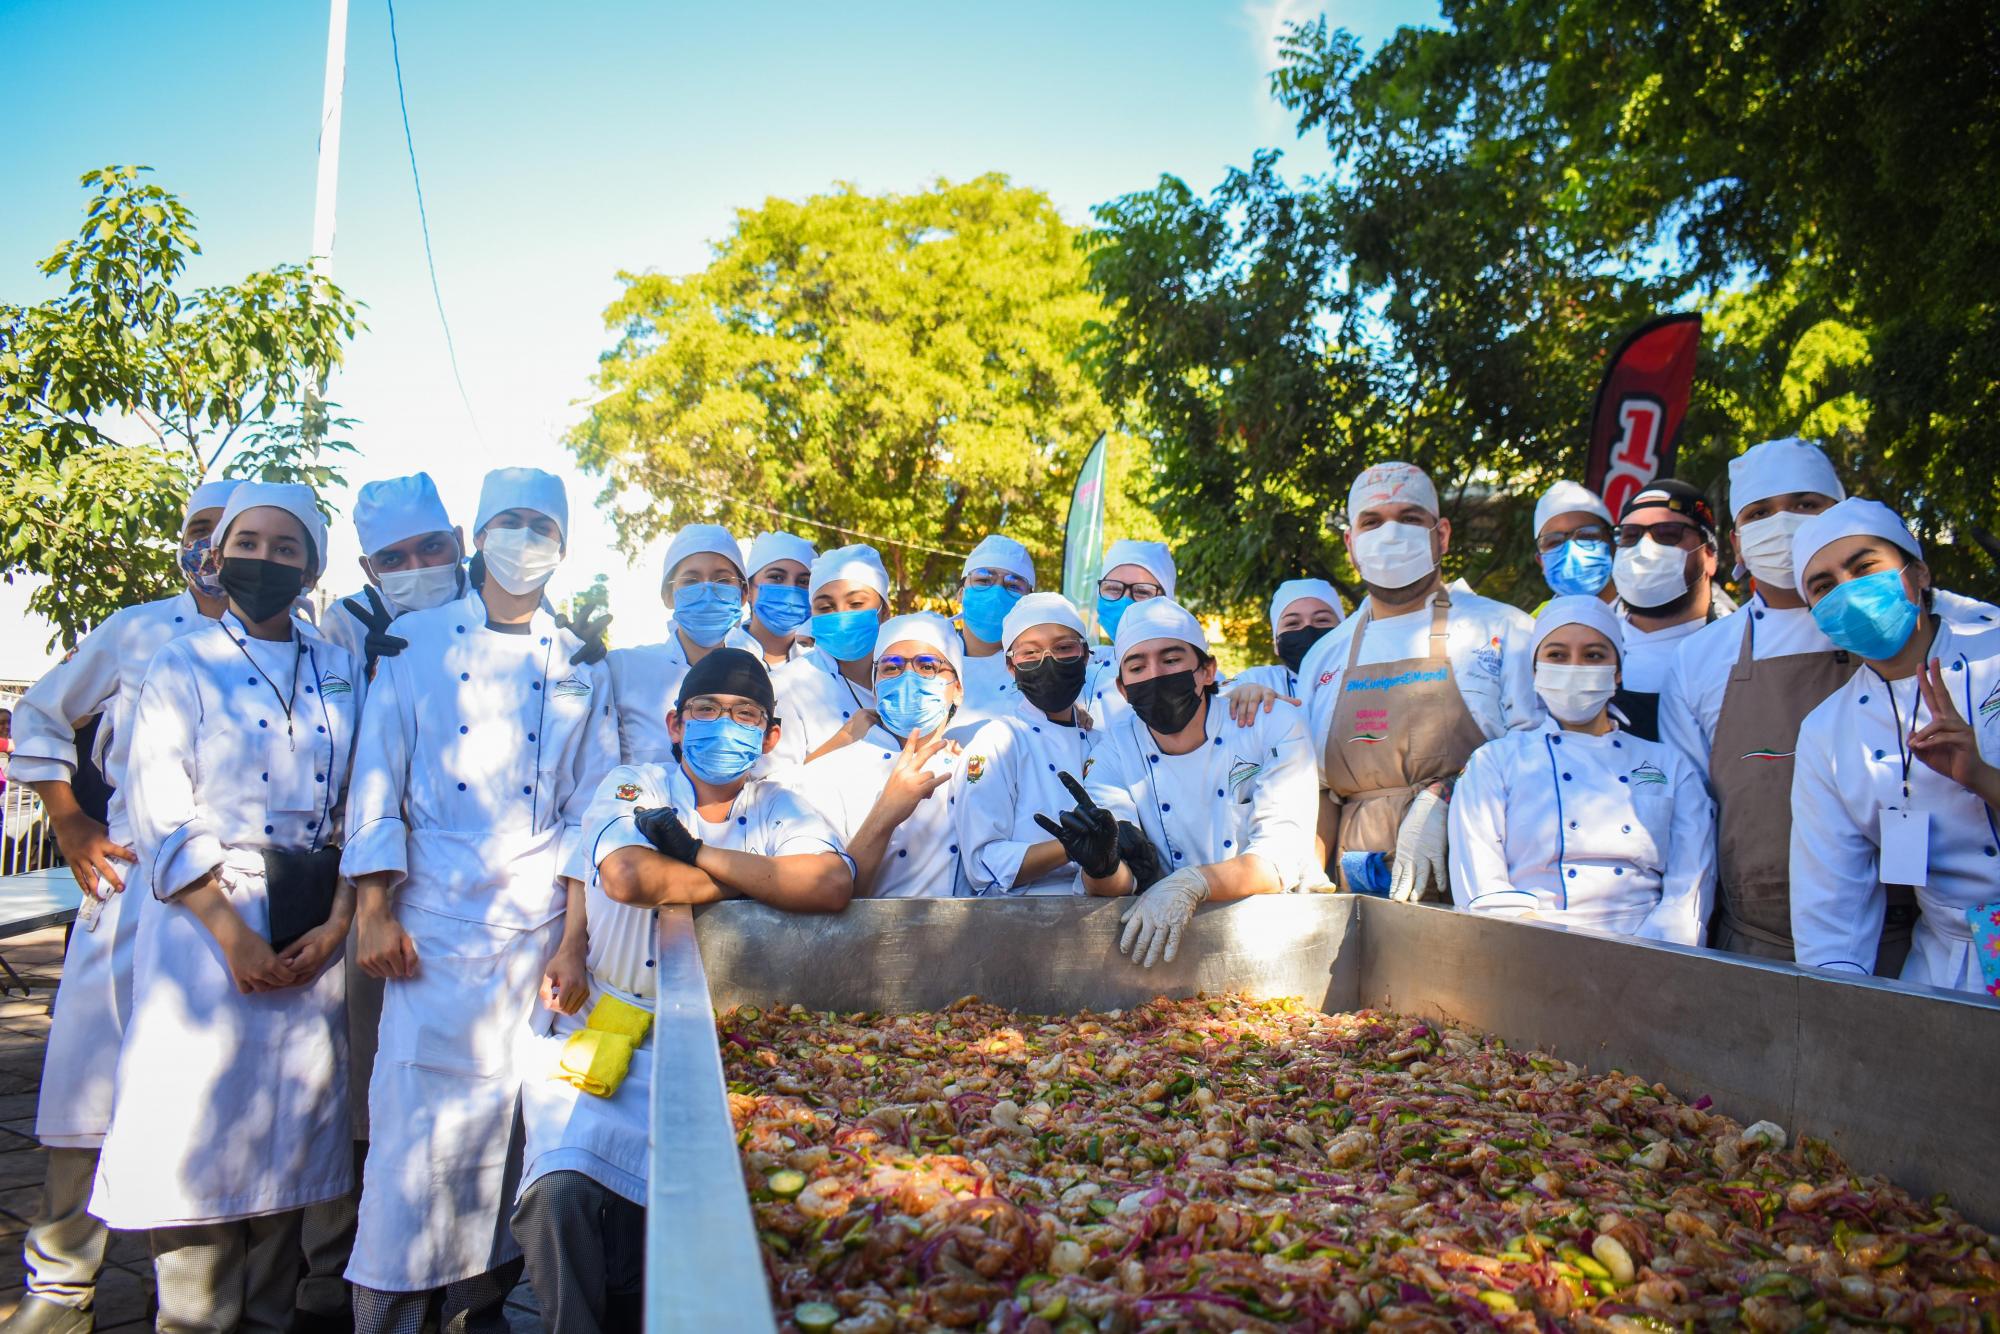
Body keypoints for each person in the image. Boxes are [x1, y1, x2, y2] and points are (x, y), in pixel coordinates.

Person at [340, 466, 618, 1333]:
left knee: (508, 1139)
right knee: (411, 1140)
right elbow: (376, 774)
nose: (525, 539)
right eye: (510, 522)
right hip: (430, 928)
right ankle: (387, 1312)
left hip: (536, 935)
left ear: (563, 544)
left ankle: (480, 1310)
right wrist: (376, 907)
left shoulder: (579, 659)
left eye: (542, 525)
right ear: (478, 533)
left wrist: (574, 941)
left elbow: (594, 809)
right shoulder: (415, 642)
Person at [87, 482, 363, 1332]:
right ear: (217, 553)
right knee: (194, 1139)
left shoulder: (339, 665)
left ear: (314, 565)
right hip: (205, 933)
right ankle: (192, 1319)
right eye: (250, 543)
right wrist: (231, 935)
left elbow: (366, 797)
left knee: (290, 1150)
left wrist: (340, 921)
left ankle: (273, 1317)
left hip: (313, 928)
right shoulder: (183, 661)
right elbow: (162, 802)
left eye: (288, 549)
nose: (266, 560)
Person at [514, 648, 851, 1333]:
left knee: (697, 1208)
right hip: (613, 1027)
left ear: (771, 735)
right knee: (559, 1193)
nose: (723, 724)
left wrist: (694, 857)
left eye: (743, 713)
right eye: (706, 710)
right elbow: (630, 879)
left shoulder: (780, 802)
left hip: (725, 1048)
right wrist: (761, 880)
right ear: (675, 722)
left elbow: (832, 885)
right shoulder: (635, 783)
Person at [0, 478, 238, 1334]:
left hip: (230, 908)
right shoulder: (138, 627)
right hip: (130, 886)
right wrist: (69, 822)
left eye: (232, 531)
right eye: (198, 531)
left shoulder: (303, 643)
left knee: (198, 1101)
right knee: (86, 1092)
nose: (214, 548)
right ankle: (60, 1286)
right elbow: (40, 712)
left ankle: (194, 1303)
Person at [1654, 439, 1859, 962]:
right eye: (1761, 513)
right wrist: (1680, 930)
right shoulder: (1700, 659)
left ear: (1845, 516)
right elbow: (1692, 812)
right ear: (1738, 545)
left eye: (1807, 505)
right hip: (1755, 947)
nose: (1785, 522)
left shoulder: (1898, 630)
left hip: (1900, 945)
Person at [1297, 462, 1538, 899]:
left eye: (1409, 518)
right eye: (1373, 522)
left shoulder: (1504, 632)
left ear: (1441, 534)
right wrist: (1310, 887)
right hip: (1357, 893)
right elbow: (1317, 793)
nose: (1391, 533)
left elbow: (1541, 756)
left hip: (1480, 885)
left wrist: (1448, 797)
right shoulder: (1324, 656)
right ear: (1351, 544)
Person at [1788, 499, 2000, 995]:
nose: (1850, 592)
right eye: (1824, 587)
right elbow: (1830, 907)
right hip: (1950, 968)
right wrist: (1837, 1013)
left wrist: (1982, 779)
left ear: (1920, 572)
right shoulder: (1827, 732)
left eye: (1864, 568)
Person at [1045, 597, 1317, 968]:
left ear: (1208, 671)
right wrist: (1102, 867)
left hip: (1269, 939)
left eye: (1171, 660)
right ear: (1124, 690)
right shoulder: (1116, 752)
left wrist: (1193, 883)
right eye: (1138, 666)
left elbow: (1282, 858)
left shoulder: (1269, 724)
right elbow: (1125, 879)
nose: (1155, 675)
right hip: (1159, 943)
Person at [1447, 595, 1715, 944]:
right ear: (1535, 670)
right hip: (1529, 945)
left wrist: (1653, 951)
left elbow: (1691, 882)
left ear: (1617, 671)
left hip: (1652, 952)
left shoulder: (1669, 765)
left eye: (1593, 655)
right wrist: (1538, 948)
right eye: (1557, 655)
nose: (1575, 667)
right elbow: (1482, 881)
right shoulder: (1494, 763)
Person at [790, 612, 975, 897]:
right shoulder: (826, 776)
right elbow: (826, 895)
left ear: (958, 689)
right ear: (875, 688)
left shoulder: (976, 769)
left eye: (927, 666)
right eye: (892, 668)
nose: (909, 677)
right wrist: (886, 814)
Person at [954, 593, 1102, 896]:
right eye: (1030, 653)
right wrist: (1069, 848)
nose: (1049, 661)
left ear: (1085, 656)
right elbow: (983, 864)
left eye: (1064, 648)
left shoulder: (1101, 743)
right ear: (1011, 667)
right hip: (1018, 924)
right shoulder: (996, 742)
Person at [605, 522, 760, 764]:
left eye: (722, 580)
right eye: (691, 581)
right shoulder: (623, 669)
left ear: (742, 595)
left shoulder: (757, 680)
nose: (707, 590)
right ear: (668, 595)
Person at [1610, 479, 1723, 740]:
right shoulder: (1585, 646)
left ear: (1709, 555)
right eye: (1630, 535)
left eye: (1667, 533)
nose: (1644, 549)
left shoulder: (1741, 649)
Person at [319, 472, 466, 671]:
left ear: (459, 542)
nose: (417, 567)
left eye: (431, 548)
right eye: (392, 559)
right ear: (369, 570)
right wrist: (371, 672)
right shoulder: (348, 624)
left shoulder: (498, 603)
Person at [767, 544, 892, 770]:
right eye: (825, 607)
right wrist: (843, 741)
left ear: (884, 612)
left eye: (855, 604)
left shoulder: (911, 674)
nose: (841, 615)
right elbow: (771, 791)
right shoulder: (787, 687)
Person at [1084, 539, 1176, 723]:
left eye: (1142, 591)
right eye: (1112, 588)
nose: (1125, 601)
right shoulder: (1084, 663)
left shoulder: (1189, 671)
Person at [954, 534, 1037, 719]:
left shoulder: (1037, 672)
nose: (997, 593)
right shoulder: (929, 656)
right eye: (984, 581)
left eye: (1013, 586)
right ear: (961, 593)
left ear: (1028, 602)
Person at [1229, 579, 1347, 697]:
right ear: (1276, 643)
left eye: (1322, 620)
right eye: (1293, 623)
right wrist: (1238, 694)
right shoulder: (1255, 680)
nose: (1308, 631)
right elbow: (1218, 695)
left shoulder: (1362, 679)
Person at [740, 531, 816, 667]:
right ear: (748, 590)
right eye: (777, 577)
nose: (791, 590)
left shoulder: (818, 666)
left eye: (803, 581)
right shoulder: (719, 655)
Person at [1532, 481, 1617, 604]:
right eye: (1554, 542)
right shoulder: (1533, 622)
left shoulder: (1645, 619)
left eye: (1586, 536)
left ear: (1614, 544)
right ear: (1541, 562)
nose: (1572, 550)